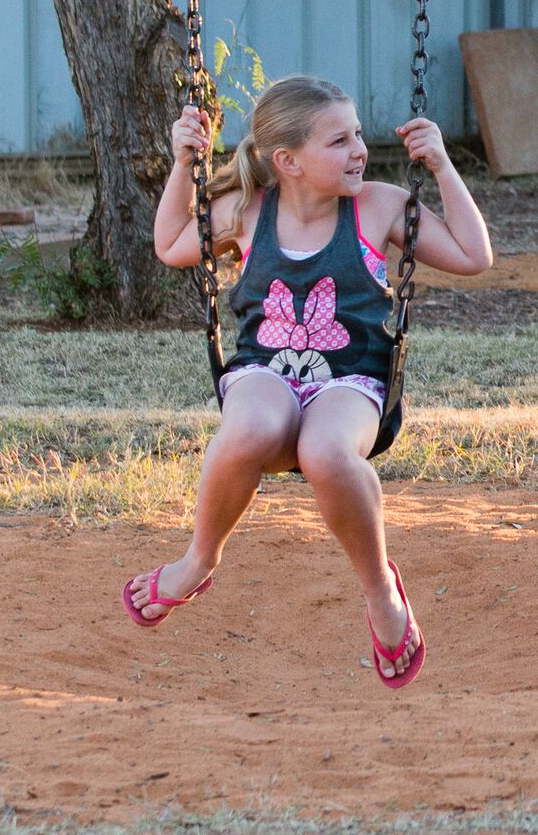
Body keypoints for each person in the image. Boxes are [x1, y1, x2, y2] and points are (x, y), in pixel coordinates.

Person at [125, 73, 492, 682]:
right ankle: (198, 558)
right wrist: (182, 162)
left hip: (351, 380)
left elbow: (473, 256)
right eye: (338, 142)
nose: (359, 151)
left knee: (324, 450)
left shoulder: (377, 205)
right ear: (287, 161)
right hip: (264, 370)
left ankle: (380, 590)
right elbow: (170, 245)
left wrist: (443, 166)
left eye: (356, 136)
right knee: (249, 429)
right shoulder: (247, 210)